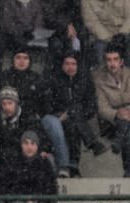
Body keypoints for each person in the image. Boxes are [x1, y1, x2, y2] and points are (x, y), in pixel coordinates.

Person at [44, 50, 107, 178]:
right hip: (59, 117)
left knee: (74, 120)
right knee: (74, 119)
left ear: (78, 66)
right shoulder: (54, 80)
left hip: (79, 117)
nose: (70, 67)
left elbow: (91, 105)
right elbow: (47, 103)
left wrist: (78, 114)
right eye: (67, 63)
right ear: (62, 66)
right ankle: (90, 143)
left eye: (73, 64)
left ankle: (72, 165)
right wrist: (59, 116)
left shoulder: (85, 81)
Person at [94, 43, 130, 176]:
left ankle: (119, 141)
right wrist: (117, 113)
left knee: (127, 128)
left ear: (121, 61)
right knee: (126, 125)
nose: (112, 63)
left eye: (115, 59)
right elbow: (102, 107)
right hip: (110, 123)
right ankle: (128, 170)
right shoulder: (99, 79)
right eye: (109, 60)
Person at [82, 0, 130, 65]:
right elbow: (91, 22)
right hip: (101, 34)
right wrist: (108, 38)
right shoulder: (86, 1)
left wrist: (122, 34)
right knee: (100, 49)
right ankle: (103, 72)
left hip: (124, 31)